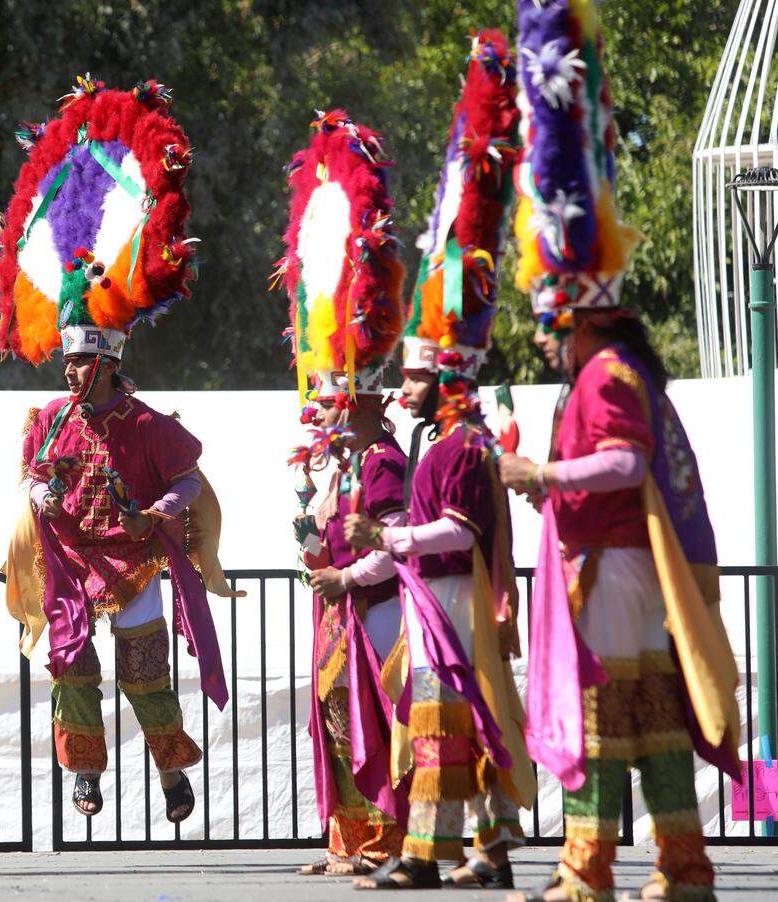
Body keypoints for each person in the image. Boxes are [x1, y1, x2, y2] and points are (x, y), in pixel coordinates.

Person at [499, 4, 739, 899]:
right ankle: (685, 869)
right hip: (631, 571)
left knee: (598, 725)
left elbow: (625, 468)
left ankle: (586, 872)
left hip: (609, 570)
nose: (547, 341)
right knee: (655, 728)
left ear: (579, 313)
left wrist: (542, 473)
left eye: (552, 323)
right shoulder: (624, 369)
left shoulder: (603, 374)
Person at [0, 77, 238, 824]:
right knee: (71, 669)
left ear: (110, 363)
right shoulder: (47, 419)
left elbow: (191, 483)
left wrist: (160, 509)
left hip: (133, 561)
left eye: (81, 363)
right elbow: (31, 479)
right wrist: (38, 497)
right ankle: (84, 774)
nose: (69, 372)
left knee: (145, 675)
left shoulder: (150, 424)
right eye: (67, 362)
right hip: (70, 559)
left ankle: (170, 771)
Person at [343, 30, 535, 892]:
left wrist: (390, 542)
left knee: (445, 723)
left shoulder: (460, 441)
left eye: (415, 375)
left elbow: (454, 528)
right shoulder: (444, 435)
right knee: (460, 724)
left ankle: (431, 854)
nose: (403, 386)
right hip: (439, 596)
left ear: (443, 377)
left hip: (451, 593)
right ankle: (486, 849)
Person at [277, 110, 410, 877]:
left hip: (375, 614)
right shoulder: (335, 458)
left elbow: (391, 550)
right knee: (333, 723)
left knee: (373, 723)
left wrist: (343, 575)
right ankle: (346, 841)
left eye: (336, 394)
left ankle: (384, 843)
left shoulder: (385, 459)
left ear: (363, 398)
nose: (323, 403)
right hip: (337, 612)